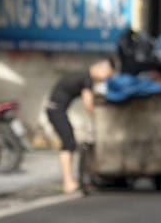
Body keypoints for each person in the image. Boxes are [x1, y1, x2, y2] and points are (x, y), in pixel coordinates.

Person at [45, 59, 114, 193]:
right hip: (55, 110)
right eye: (107, 75)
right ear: (100, 68)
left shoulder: (82, 75)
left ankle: (69, 181)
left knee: (69, 143)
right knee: (68, 143)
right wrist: (99, 119)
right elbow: (88, 103)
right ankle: (67, 182)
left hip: (56, 109)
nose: (105, 78)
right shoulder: (86, 78)